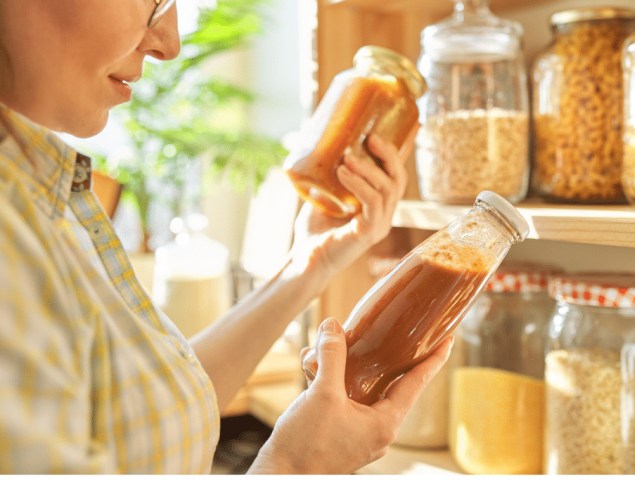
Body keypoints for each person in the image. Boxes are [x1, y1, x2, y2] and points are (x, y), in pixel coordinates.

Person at [0, 0, 454, 475]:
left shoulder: (39, 189)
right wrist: (296, 465)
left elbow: (150, 409)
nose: (169, 43)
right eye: (154, 1)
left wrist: (309, 263)